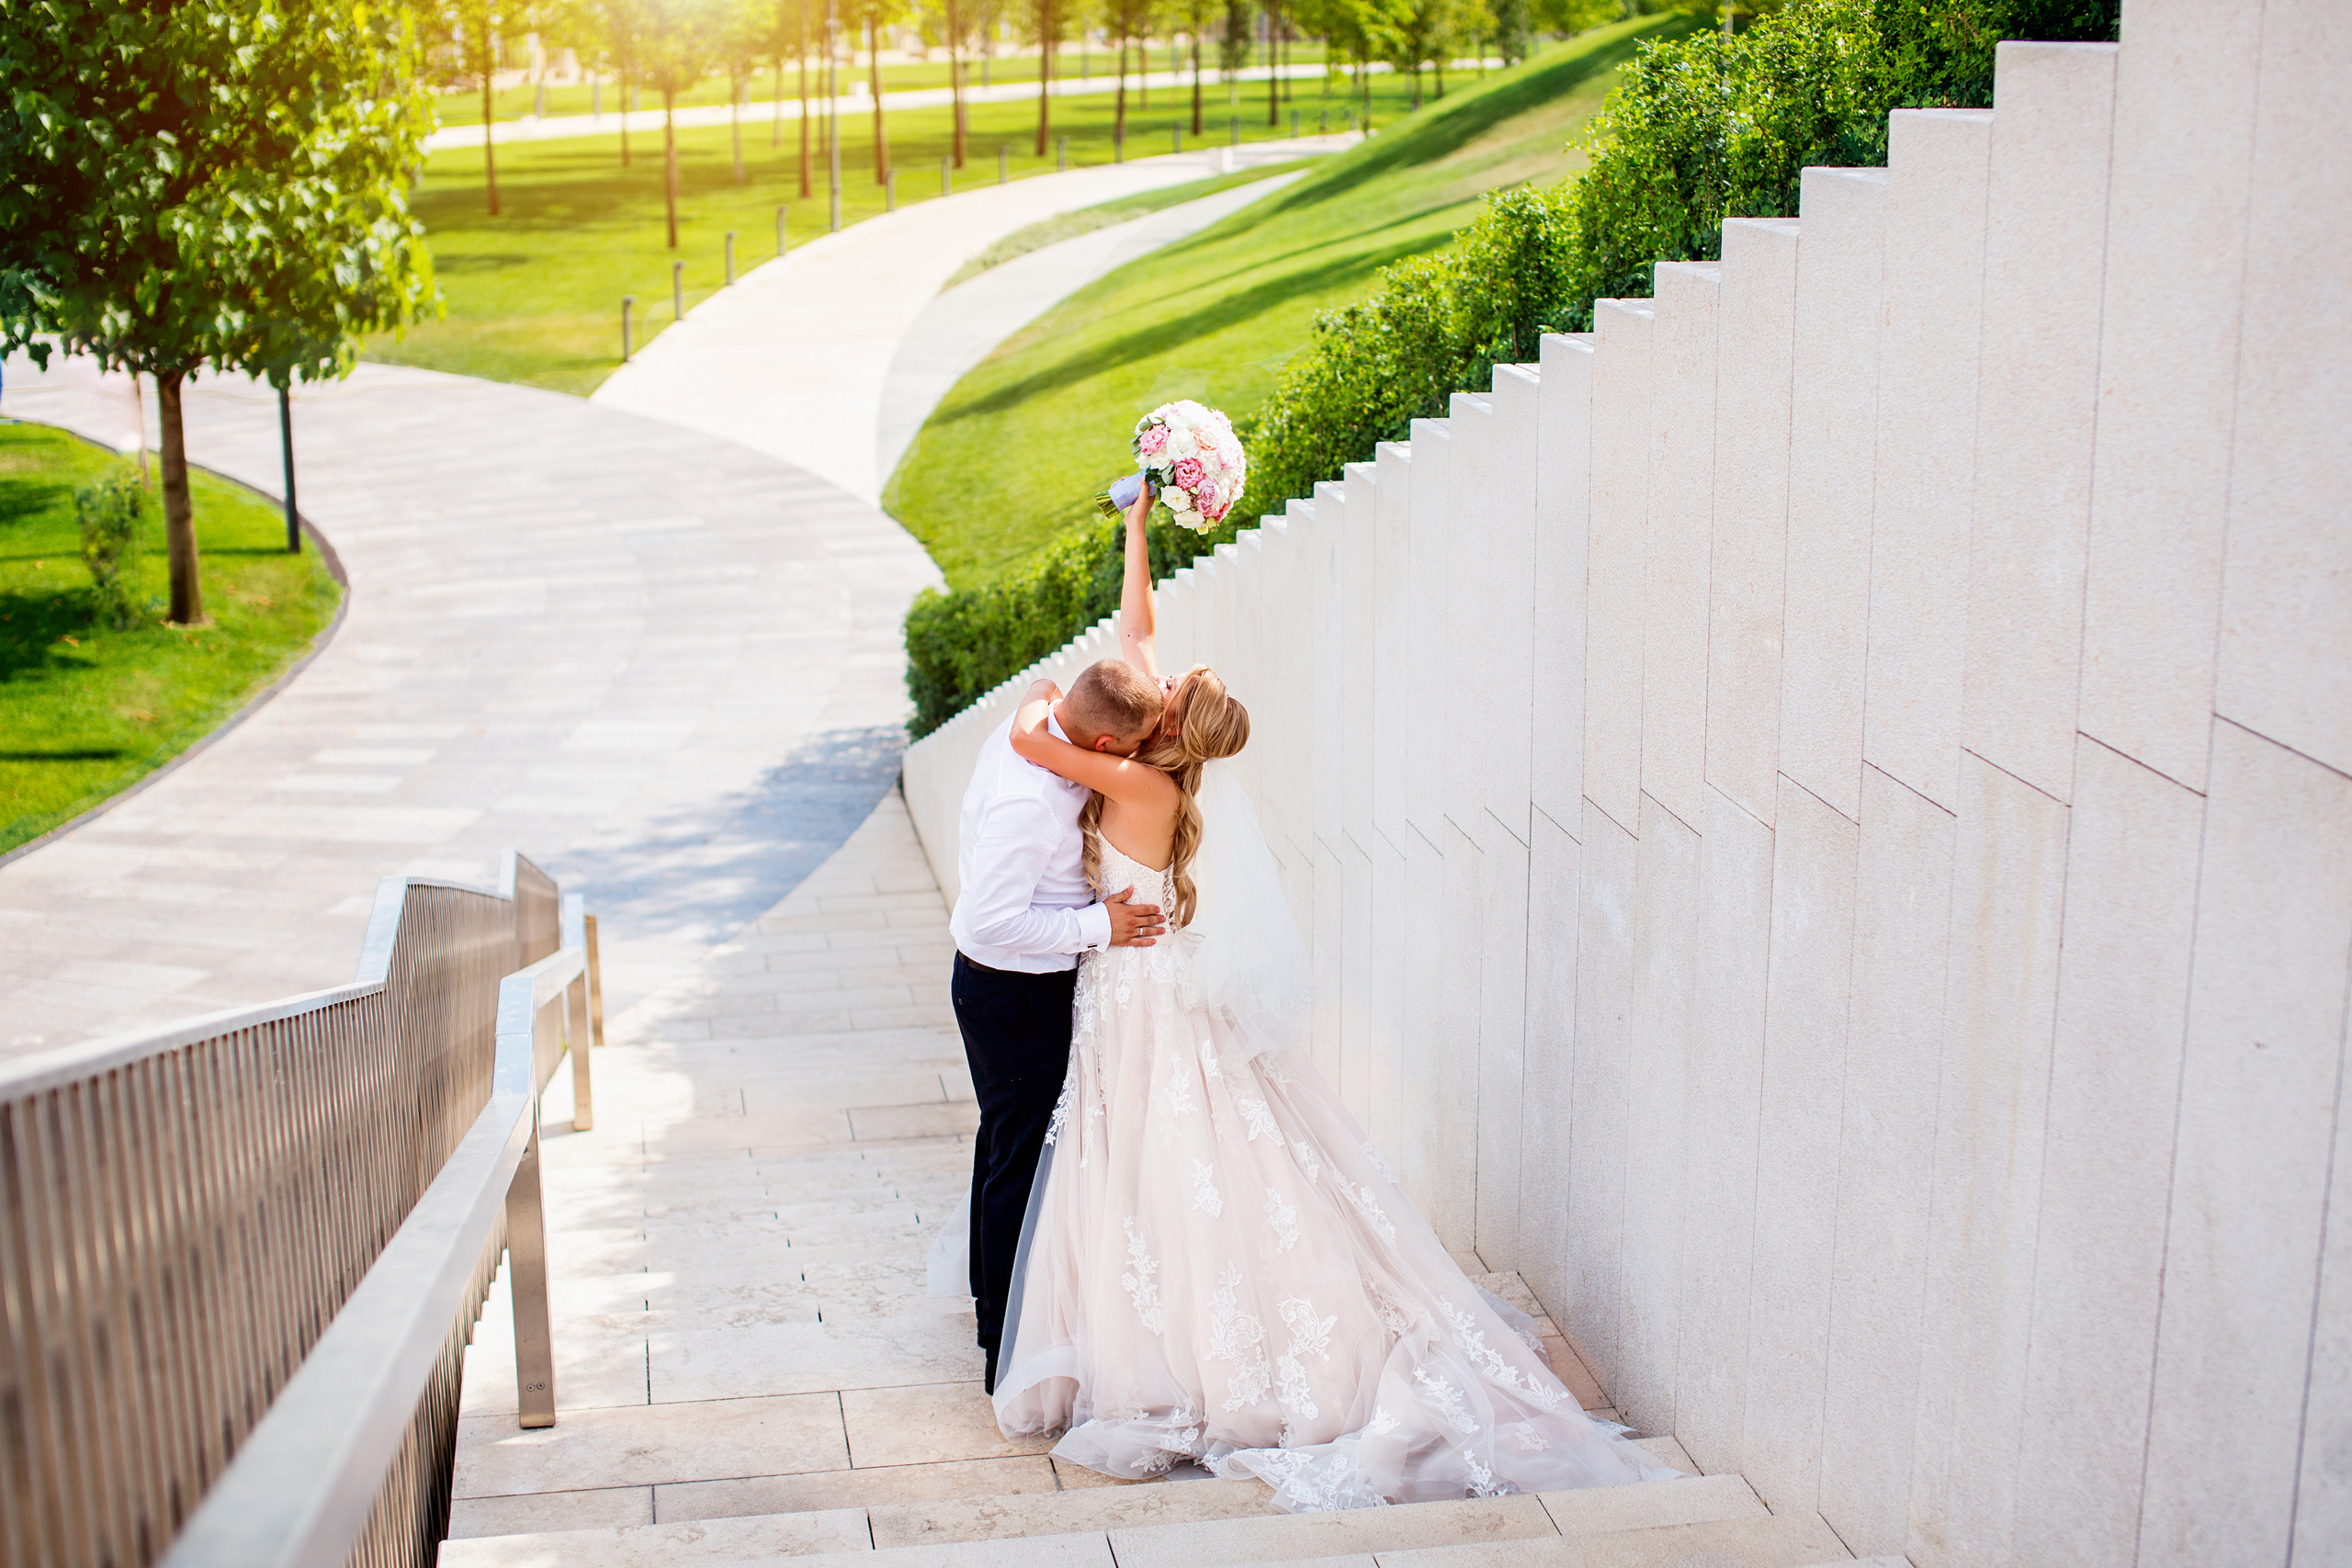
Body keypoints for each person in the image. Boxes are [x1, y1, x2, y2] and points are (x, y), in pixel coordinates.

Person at [984, 483, 1674, 1511]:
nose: (1153, 677)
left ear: (1153, 727)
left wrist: (1043, 693)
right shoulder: (1161, 768)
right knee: (1170, 1154)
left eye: (1162, 687)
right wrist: (1134, 526)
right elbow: (1137, 627)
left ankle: (1187, 1358)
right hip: (1140, 982)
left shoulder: (1138, 783)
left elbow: (1033, 740)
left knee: (1156, 1158)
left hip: (1137, 992)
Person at [948, 648, 1170, 1395]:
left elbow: (1040, 687)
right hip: (1011, 992)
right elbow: (989, 925)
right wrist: (1097, 927)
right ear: (1106, 747)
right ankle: (1004, 1350)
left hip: (1015, 989)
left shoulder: (1044, 718)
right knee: (1021, 1160)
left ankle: (993, 1302)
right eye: (1132, 751)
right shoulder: (1030, 803)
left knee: (1003, 1141)